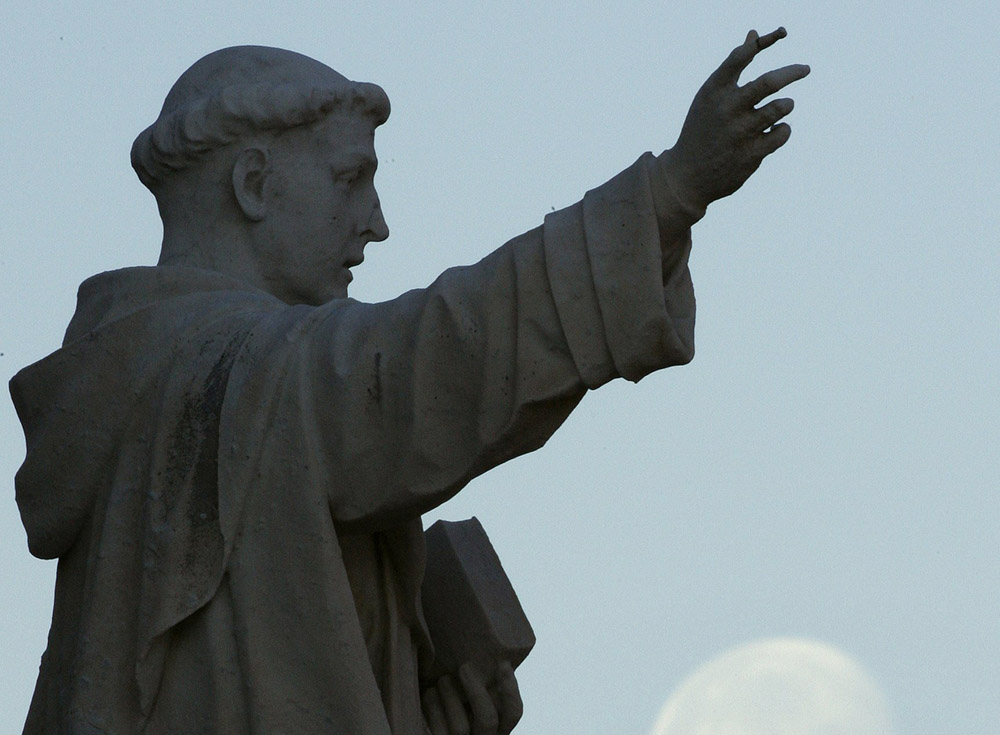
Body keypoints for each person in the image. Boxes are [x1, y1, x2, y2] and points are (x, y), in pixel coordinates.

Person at [11, 29, 808, 735]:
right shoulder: (229, 371)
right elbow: (435, 358)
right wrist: (667, 195)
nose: (377, 219)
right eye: (350, 179)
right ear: (253, 184)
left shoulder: (185, 387)